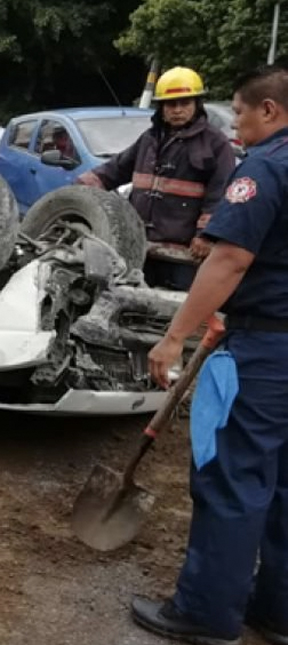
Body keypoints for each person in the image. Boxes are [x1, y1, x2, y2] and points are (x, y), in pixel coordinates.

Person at [136, 64, 288, 645]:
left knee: (233, 475)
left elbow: (229, 260)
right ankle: (275, 611)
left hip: (267, 350)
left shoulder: (266, 169)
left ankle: (205, 613)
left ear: (268, 111)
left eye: (242, 114)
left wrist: (176, 333)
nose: (238, 127)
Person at [77, 66, 237, 290]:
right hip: (140, 247)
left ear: (197, 105)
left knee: (170, 312)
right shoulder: (150, 139)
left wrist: (206, 236)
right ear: (161, 107)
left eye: (185, 103)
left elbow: (220, 195)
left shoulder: (215, 144)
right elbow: (116, 169)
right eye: (171, 104)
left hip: (183, 255)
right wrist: (80, 191)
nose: (178, 110)